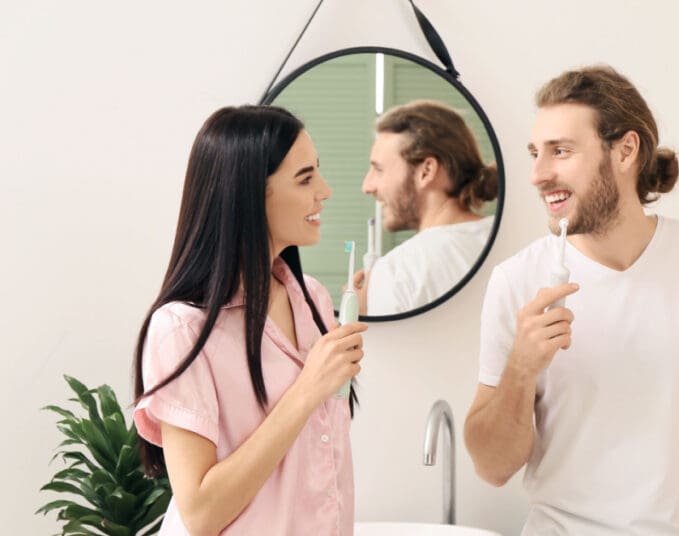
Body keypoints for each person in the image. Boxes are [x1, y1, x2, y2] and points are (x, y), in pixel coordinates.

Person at [464, 66, 679, 535]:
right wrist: (521, 369)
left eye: (561, 151)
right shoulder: (516, 282)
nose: (537, 174)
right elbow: (492, 467)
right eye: (535, 153)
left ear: (625, 150)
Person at [132, 105, 367, 535]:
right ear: (249, 194)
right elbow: (201, 512)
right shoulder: (182, 331)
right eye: (305, 178)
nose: (326, 190)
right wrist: (306, 391)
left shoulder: (312, 299)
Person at [357, 100, 499, 315]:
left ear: (426, 171)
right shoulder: (508, 241)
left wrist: (362, 313)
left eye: (379, 169)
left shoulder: (397, 271)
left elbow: (386, 349)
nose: (367, 186)